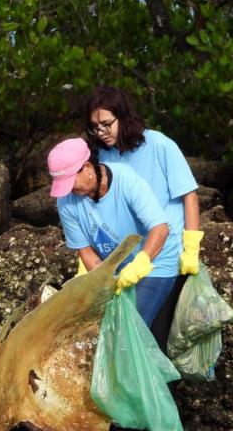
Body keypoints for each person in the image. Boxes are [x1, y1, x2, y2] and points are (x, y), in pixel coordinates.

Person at [82, 86, 202, 352]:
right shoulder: (101, 156)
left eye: (106, 124)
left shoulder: (159, 144)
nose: (101, 132)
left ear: (123, 116)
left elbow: (189, 195)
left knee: (151, 334)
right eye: (94, 127)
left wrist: (191, 247)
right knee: (134, 336)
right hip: (126, 260)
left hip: (163, 254)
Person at [48, 137, 181, 329]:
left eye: (70, 182)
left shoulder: (125, 179)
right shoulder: (66, 202)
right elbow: (86, 252)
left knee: (129, 327)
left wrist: (139, 265)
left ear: (87, 167)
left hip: (156, 263)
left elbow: (160, 229)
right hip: (117, 273)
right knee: (104, 328)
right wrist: (105, 280)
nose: (69, 190)